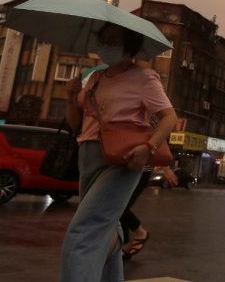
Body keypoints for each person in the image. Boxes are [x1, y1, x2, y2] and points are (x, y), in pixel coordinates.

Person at [61, 23, 178, 281]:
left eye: (114, 41)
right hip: (88, 154)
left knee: (84, 231)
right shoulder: (95, 78)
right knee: (106, 227)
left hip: (124, 159)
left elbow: (169, 117)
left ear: (130, 47)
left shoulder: (145, 77)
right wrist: (71, 98)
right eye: (103, 40)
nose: (106, 46)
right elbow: (75, 123)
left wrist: (149, 148)